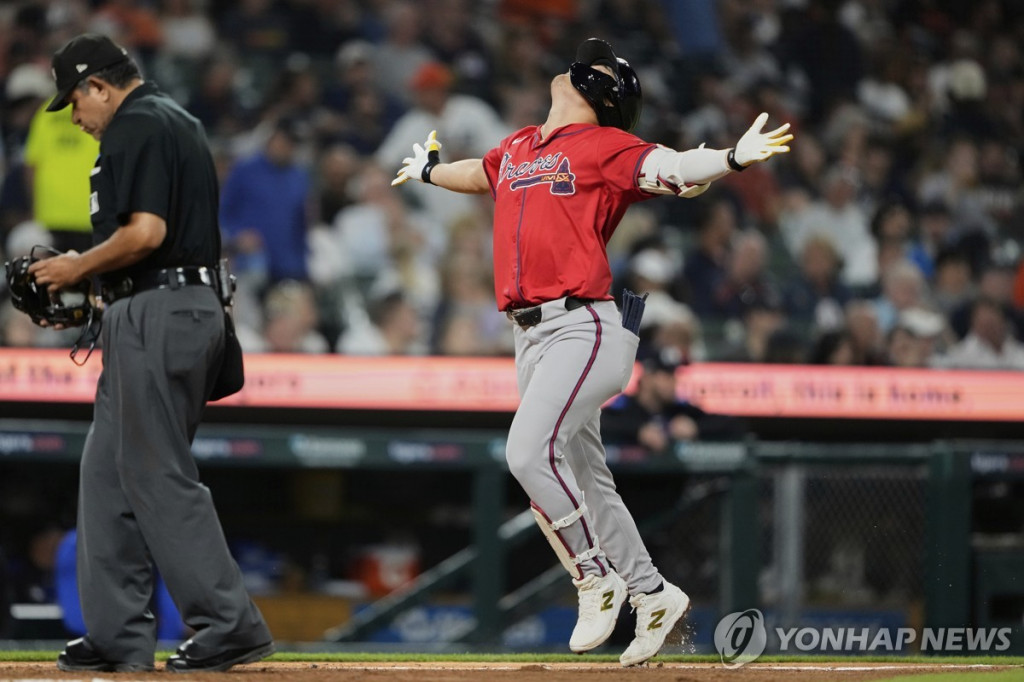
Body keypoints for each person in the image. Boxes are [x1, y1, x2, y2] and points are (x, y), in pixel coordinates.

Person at [391, 38, 792, 666]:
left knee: (526, 452)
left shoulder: (604, 145)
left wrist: (733, 158)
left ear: (603, 94)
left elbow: (673, 168)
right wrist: (429, 171)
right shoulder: (522, 144)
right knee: (584, 479)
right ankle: (652, 593)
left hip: (585, 324)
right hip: (531, 333)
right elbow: (481, 174)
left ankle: (594, 576)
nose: (580, 66)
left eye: (598, 68)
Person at [27, 33, 273, 673]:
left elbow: (147, 233)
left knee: (155, 472)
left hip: (162, 314)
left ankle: (228, 623)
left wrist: (74, 267)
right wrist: (98, 291)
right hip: (169, 307)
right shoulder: (173, 118)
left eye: (75, 104)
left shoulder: (134, 125)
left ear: (98, 87)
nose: (76, 119)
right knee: (106, 475)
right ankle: (115, 635)